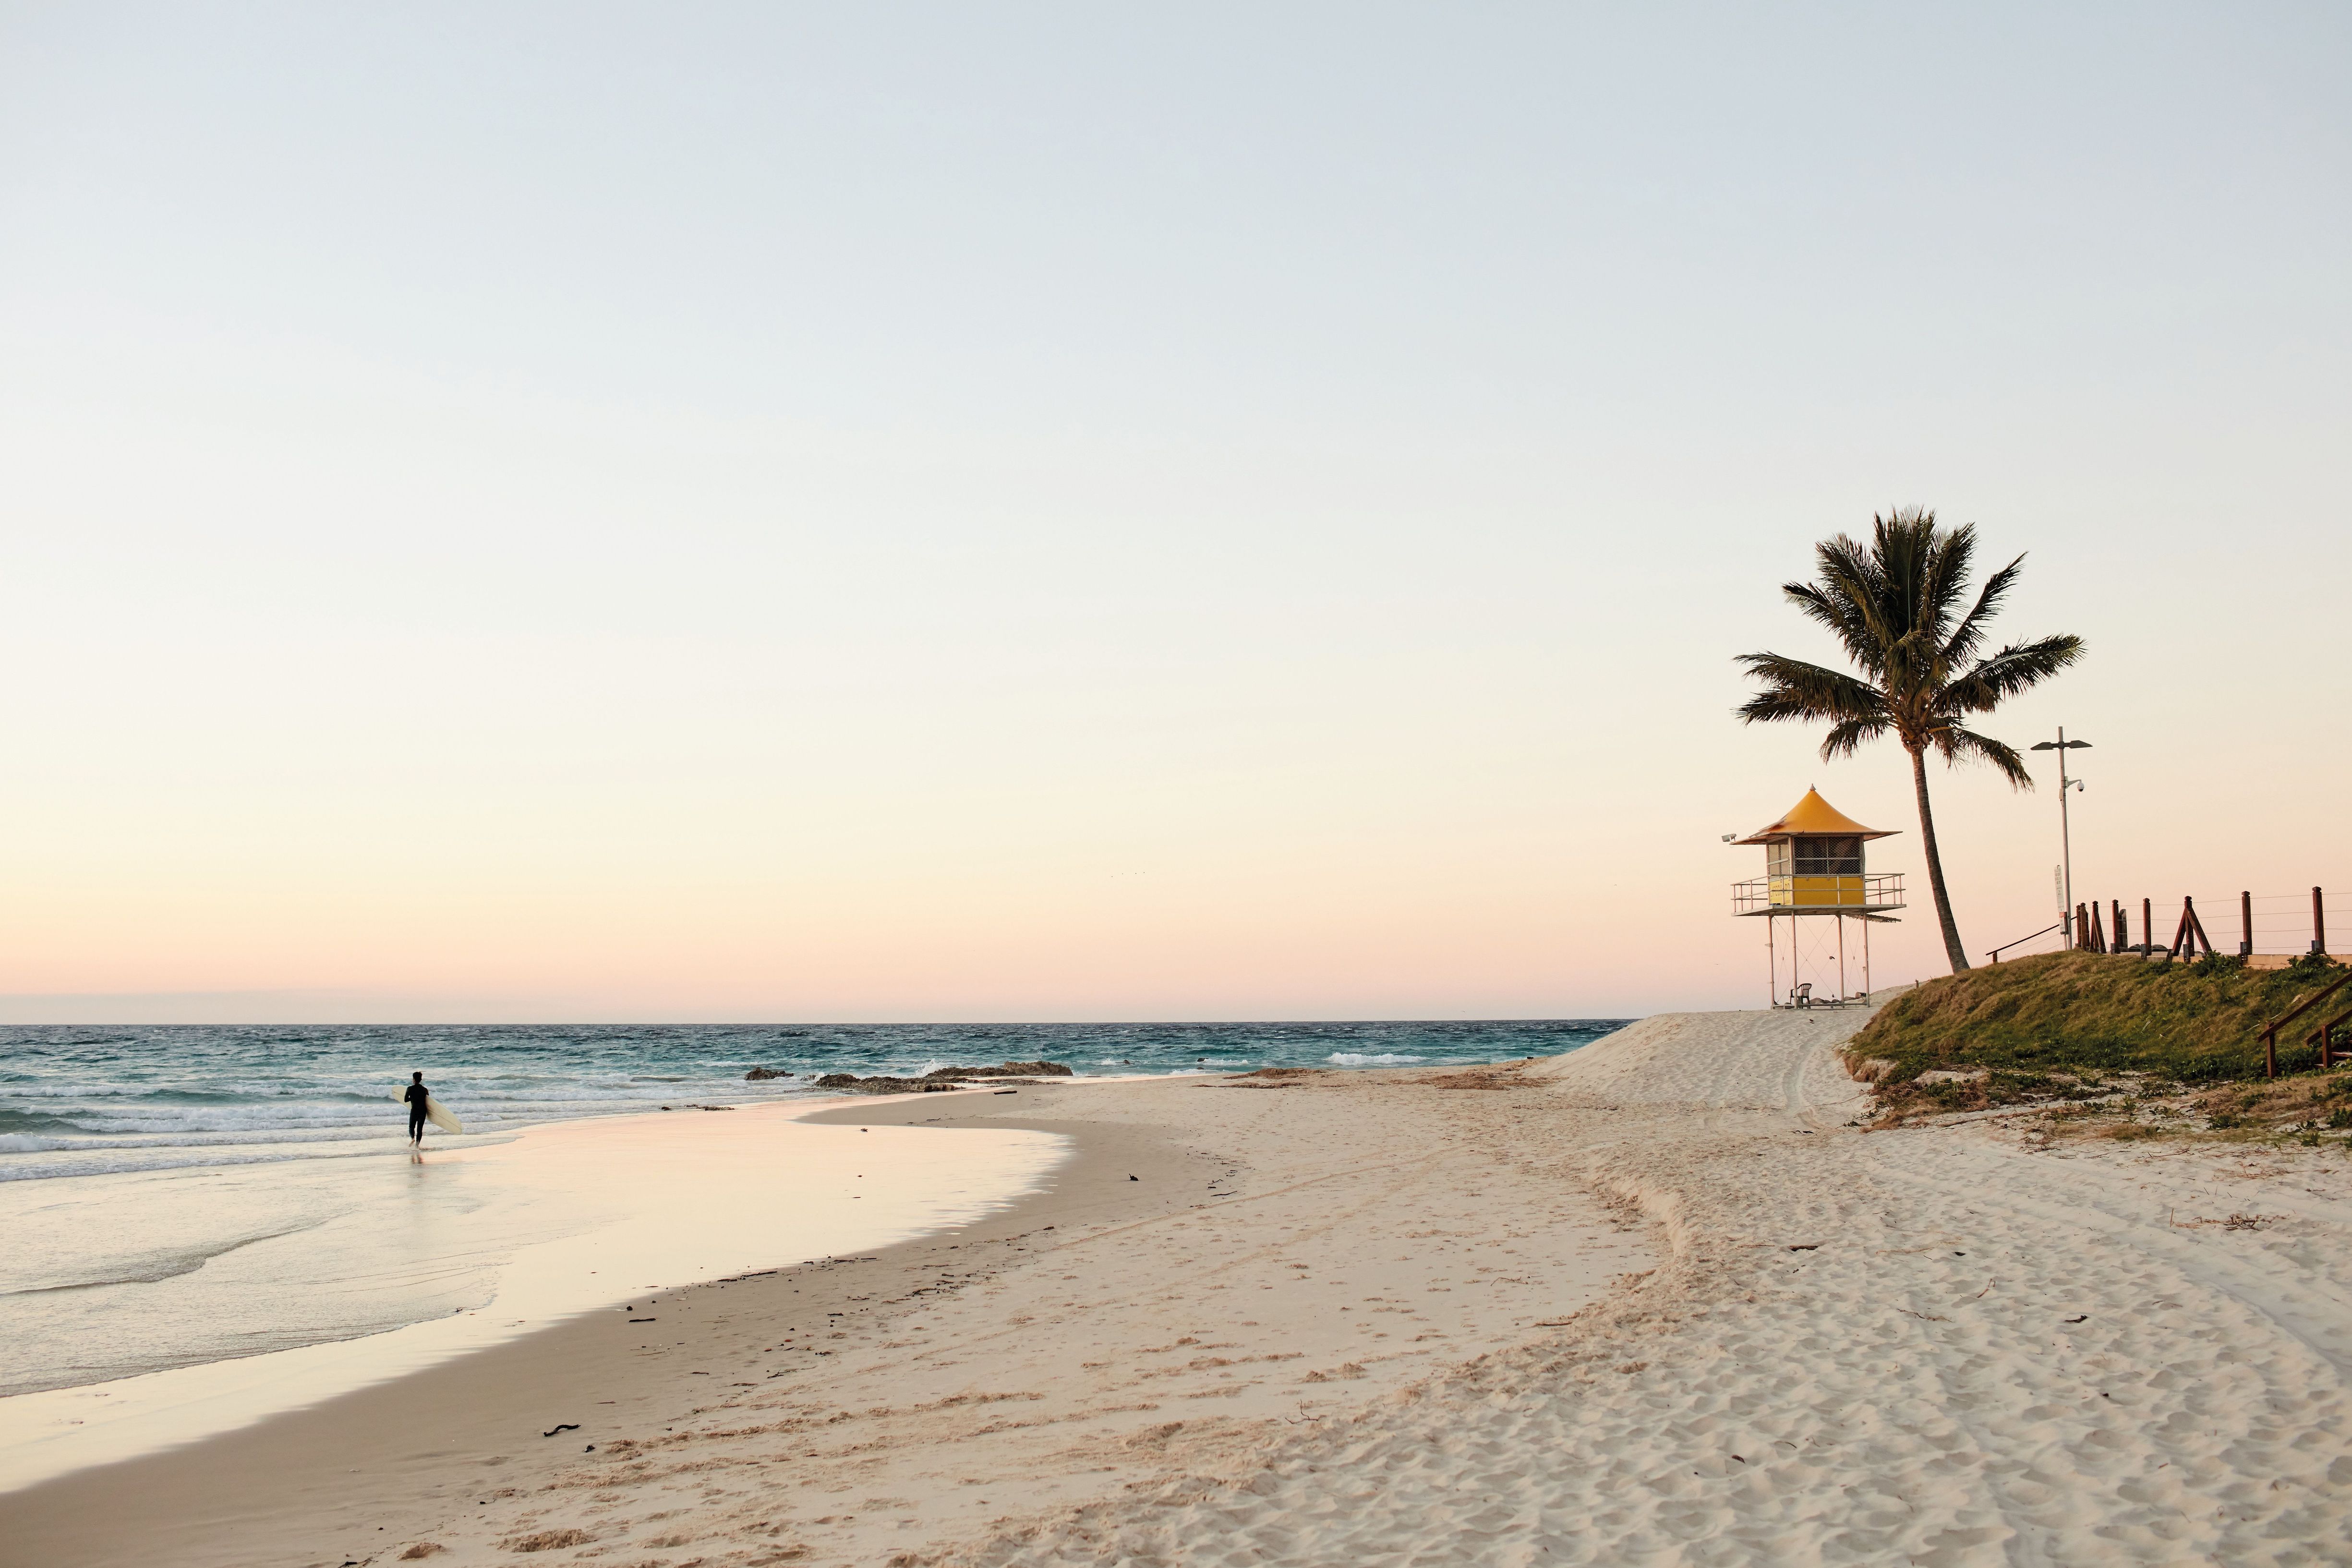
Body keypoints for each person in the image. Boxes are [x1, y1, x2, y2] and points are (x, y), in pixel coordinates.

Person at [404, 1072, 431, 1146]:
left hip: (415, 1110)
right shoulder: (425, 1090)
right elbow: (429, 1102)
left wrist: (412, 1098)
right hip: (423, 1111)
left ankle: (413, 1138)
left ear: (414, 1079)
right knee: (420, 1130)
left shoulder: (410, 1089)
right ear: (421, 1079)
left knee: (411, 1127)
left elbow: (406, 1100)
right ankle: (417, 1145)